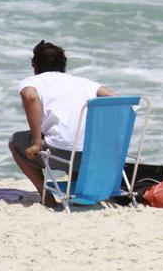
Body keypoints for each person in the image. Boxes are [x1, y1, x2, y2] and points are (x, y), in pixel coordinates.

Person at [9, 40, 115, 207]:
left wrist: (37, 142)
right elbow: (116, 99)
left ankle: (46, 195)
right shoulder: (85, 83)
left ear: (35, 66)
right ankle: (76, 191)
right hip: (92, 155)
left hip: (60, 154)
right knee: (71, 135)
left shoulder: (32, 82)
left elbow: (30, 97)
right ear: (63, 65)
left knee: (15, 141)